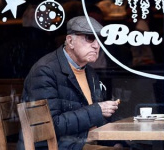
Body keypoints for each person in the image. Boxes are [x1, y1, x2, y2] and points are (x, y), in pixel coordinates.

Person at [17, 16, 121, 150]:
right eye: (89, 38)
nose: (96, 45)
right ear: (70, 41)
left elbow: (97, 119)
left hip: (82, 142)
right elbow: (49, 125)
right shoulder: (45, 71)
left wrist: (115, 142)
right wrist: (98, 110)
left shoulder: (89, 72)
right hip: (56, 146)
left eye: (99, 39)